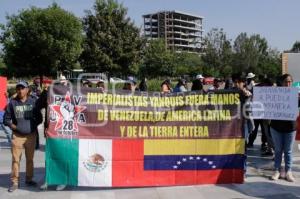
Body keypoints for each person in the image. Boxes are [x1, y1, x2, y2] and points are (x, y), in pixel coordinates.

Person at [4, 81, 42, 192]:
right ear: (17, 90)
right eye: (18, 88)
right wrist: (14, 127)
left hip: (31, 136)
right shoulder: (12, 103)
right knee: (16, 160)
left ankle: (29, 179)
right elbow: (6, 119)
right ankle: (15, 182)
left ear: (27, 90)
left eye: (22, 88)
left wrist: (32, 126)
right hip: (17, 136)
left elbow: (39, 118)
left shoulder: (33, 102)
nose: (20, 90)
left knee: (30, 159)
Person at [270, 74, 297, 182]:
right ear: (281, 82)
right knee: (278, 150)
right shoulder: (274, 94)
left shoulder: (295, 95)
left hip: (290, 127)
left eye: (290, 81)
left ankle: (288, 171)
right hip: (276, 126)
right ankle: (277, 170)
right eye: (286, 81)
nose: (288, 83)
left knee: (288, 151)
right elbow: (264, 103)